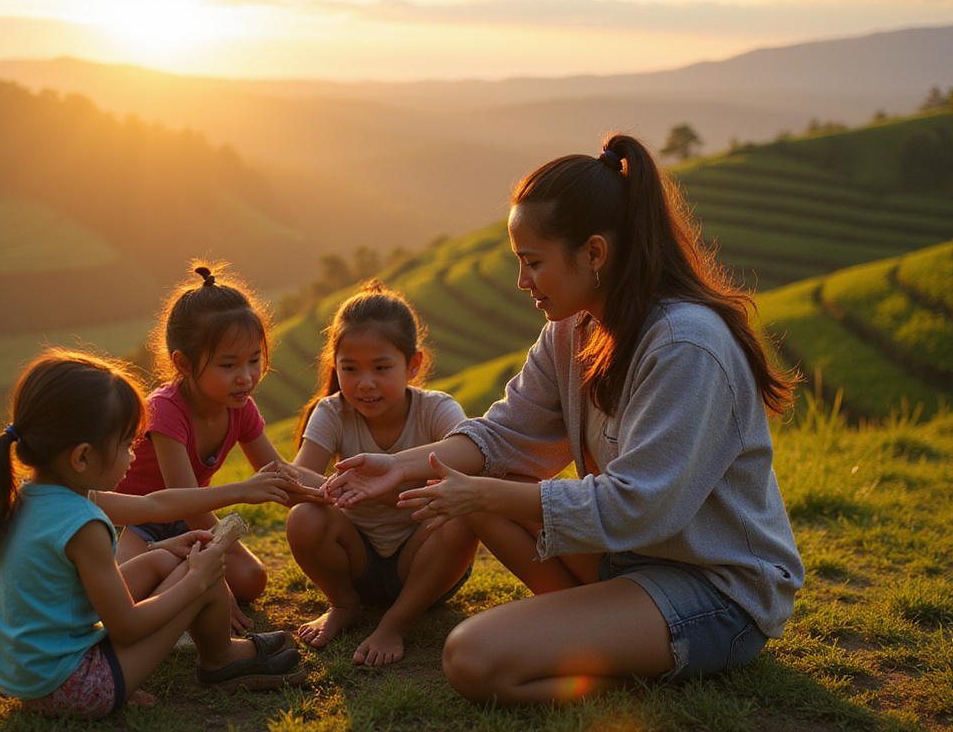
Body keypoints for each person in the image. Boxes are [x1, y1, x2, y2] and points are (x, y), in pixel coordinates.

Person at [325, 134, 804, 705]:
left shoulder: (685, 346)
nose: (521, 281)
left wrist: (481, 496)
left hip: (715, 588)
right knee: (496, 483)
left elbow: (638, 506)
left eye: (533, 262)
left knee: (473, 659)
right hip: (634, 559)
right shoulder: (572, 330)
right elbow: (504, 435)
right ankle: (584, 625)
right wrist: (399, 468)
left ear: (594, 253)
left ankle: (602, 650)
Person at [0, 348, 305, 719]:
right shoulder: (83, 523)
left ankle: (211, 643)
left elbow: (154, 506)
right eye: (126, 445)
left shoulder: (32, 496)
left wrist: (236, 493)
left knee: (161, 557)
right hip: (73, 687)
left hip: (35, 680)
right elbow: (126, 627)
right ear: (82, 457)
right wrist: (196, 579)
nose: (133, 457)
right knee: (202, 575)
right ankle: (223, 660)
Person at [284, 281, 478, 666]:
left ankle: (397, 622)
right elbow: (298, 481)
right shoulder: (332, 412)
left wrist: (382, 491)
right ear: (334, 367)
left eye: (381, 367)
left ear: (414, 364)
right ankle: (343, 604)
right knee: (303, 518)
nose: (365, 383)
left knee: (462, 517)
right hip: (355, 561)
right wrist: (338, 488)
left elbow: (463, 478)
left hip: (424, 565)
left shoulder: (438, 410)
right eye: (350, 369)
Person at [113, 263, 300, 632]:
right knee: (125, 594)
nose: (245, 376)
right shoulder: (165, 410)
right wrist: (214, 581)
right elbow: (185, 499)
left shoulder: (240, 408)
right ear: (183, 363)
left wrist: (331, 492)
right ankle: (175, 568)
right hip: (136, 523)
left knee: (252, 580)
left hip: (189, 519)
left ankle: (183, 571)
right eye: (228, 364)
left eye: (254, 360)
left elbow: (279, 471)